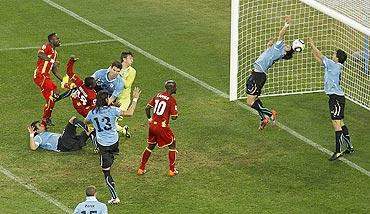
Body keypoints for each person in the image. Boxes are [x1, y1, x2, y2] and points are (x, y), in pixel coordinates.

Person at [85, 88, 141, 204]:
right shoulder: (113, 110)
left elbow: (86, 122)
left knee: (106, 172)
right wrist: (135, 98)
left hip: (104, 146)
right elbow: (130, 113)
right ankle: (113, 154)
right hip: (115, 141)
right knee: (110, 150)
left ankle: (115, 197)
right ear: (106, 100)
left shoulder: (92, 113)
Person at [246, 15, 298, 130]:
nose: (287, 45)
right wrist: (268, 47)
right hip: (257, 73)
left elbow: (281, 34)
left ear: (286, 53)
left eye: (289, 47)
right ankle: (263, 118)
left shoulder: (279, 50)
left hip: (258, 75)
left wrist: (286, 24)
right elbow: (267, 56)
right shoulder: (276, 49)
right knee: (254, 99)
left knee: (250, 102)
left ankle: (270, 113)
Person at [308, 38, 354, 161]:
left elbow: (321, 55)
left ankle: (338, 151)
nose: (332, 55)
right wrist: (312, 49)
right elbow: (319, 60)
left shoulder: (334, 65)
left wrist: (313, 45)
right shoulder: (332, 66)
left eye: (334, 54)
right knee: (341, 123)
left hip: (336, 99)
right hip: (337, 97)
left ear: (337, 58)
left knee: (336, 124)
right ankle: (349, 146)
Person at [137, 80, 179, 177]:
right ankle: (172, 170)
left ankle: (141, 168)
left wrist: (149, 119)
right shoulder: (171, 100)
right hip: (162, 127)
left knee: (150, 146)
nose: (176, 88)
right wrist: (174, 114)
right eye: (175, 87)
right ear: (171, 88)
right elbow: (174, 117)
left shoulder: (158, 95)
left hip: (152, 126)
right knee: (172, 145)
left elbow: (147, 108)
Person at [33, 33, 63, 127]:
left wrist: (63, 80)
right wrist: (52, 61)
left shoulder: (55, 53)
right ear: (51, 41)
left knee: (53, 97)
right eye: (56, 39)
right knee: (54, 94)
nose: (59, 40)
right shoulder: (47, 46)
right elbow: (40, 54)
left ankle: (45, 119)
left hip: (46, 76)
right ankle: (46, 118)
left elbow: (55, 70)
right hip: (40, 75)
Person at [28, 117, 92, 152]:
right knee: (72, 120)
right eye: (39, 125)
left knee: (90, 131)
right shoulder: (38, 137)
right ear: (36, 130)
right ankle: (87, 128)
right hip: (63, 143)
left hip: (70, 145)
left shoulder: (44, 133)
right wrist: (31, 135)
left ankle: (89, 133)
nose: (42, 125)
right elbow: (33, 147)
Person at [116, 51, 137, 138]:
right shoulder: (115, 67)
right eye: (130, 58)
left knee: (112, 120)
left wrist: (120, 75)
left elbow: (127, 85)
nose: (132, 60)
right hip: (113, 98)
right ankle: (124, 130)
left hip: (124, 100)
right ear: (124, 59)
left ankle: (123, 131)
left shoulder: (132, 71)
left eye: (132, 58)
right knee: (110, 120)